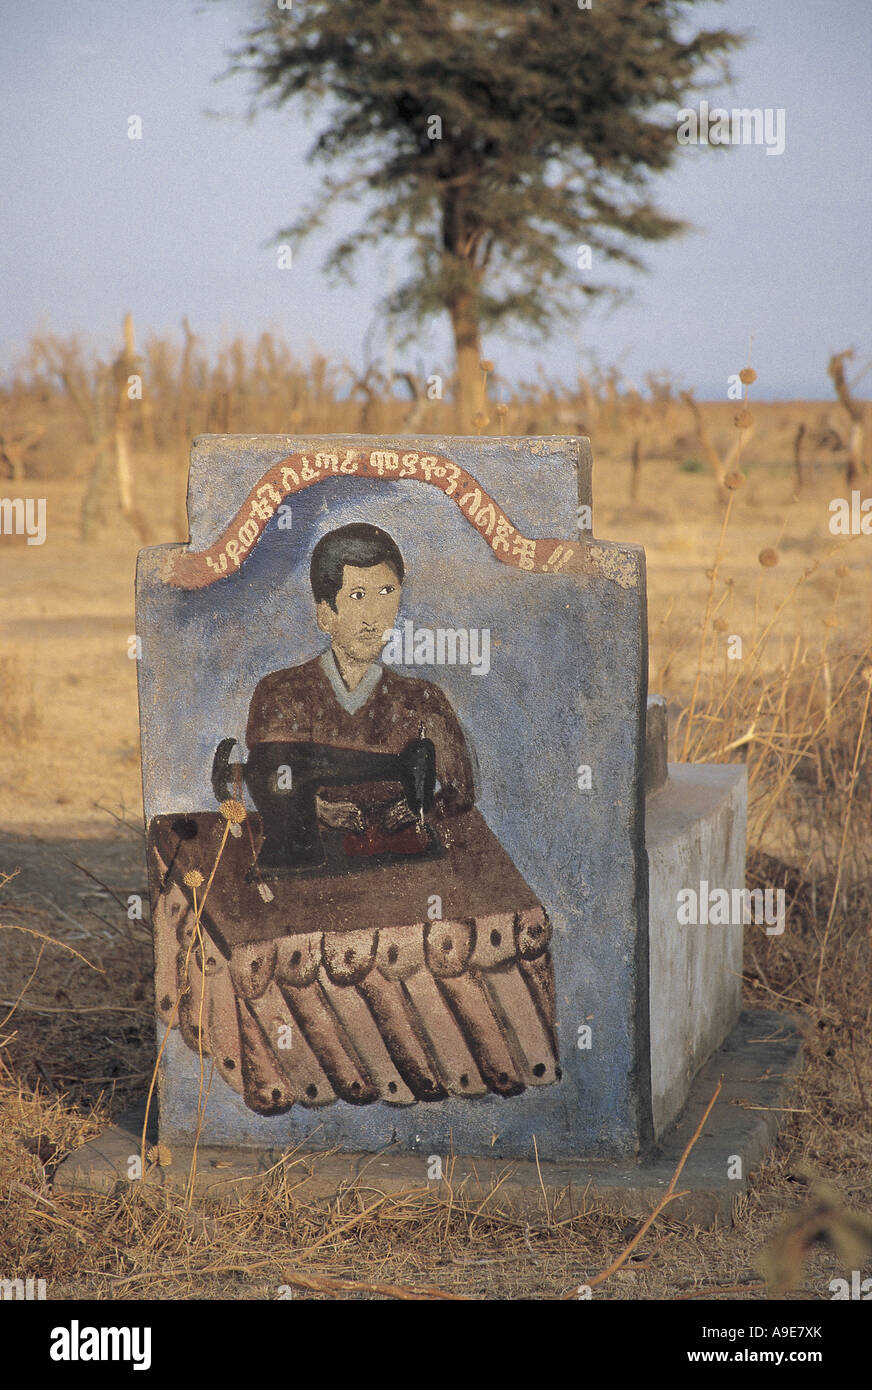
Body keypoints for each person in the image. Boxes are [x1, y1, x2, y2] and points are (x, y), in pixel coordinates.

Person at [245, 522, 475, 836]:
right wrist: (316, 808)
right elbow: (266, 779)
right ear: (325, 614)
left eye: (386, 592)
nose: (373, 616)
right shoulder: (281, 694)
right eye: (357, 595)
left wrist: (422, 809)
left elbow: (459, 792)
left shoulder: (423, 701)